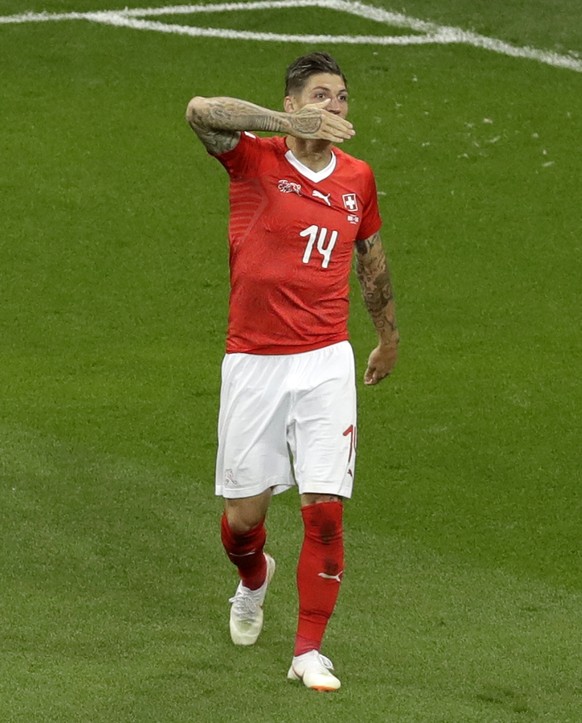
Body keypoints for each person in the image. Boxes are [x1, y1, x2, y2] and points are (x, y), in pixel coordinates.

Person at [186, 51, 398, 692]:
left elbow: (372, 261)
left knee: (325, 508)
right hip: (253, 360)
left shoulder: (357, 177)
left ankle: (309, 650)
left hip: (325, 359)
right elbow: (201, 112)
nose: (337, 106)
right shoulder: (256, 159)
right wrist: (282, 123)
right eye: (323, 96)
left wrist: (386, 337)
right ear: (294, 103)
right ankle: (254, 580)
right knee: (244, 519)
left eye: (342, 97)